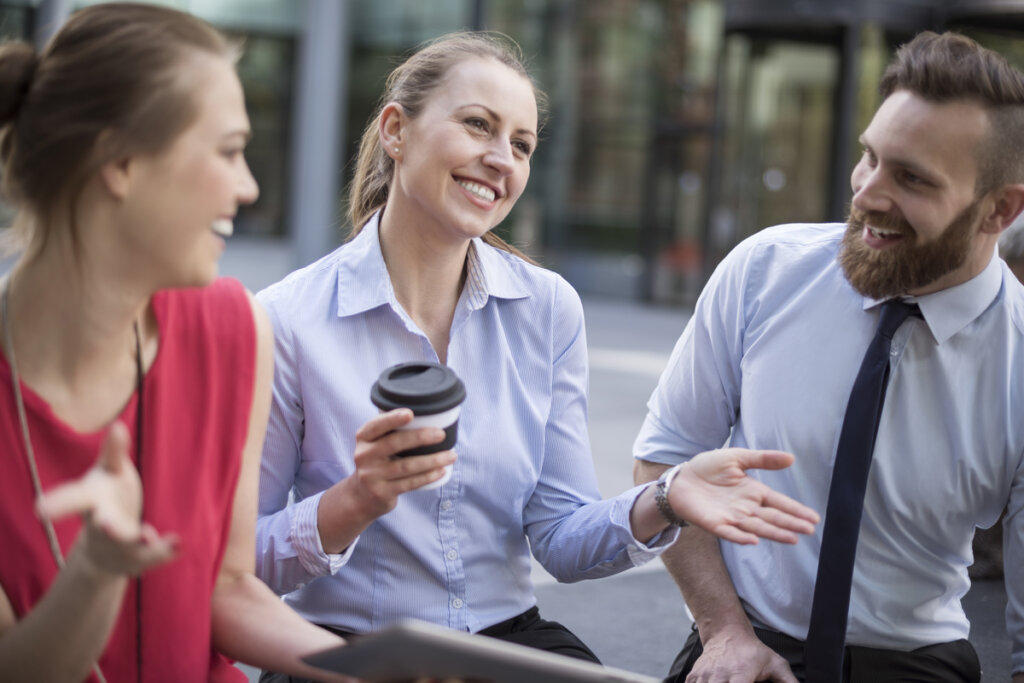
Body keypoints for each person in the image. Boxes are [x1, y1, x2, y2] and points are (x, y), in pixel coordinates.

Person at [254, 31, 818, 682]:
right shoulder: (287, 318)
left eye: (521, 145)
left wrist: (666, 495)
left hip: (506, 643)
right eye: (477, 125)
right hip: (346, 650)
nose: (502, 159)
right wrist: (352, 500)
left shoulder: (547, 309)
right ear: (395, 131)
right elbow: (244, 558)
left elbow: (561, 536)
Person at [633, 30, 1024, 683]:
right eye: (870, 157)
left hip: (913, 661)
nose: (868, 192)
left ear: (1000, 209)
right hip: (741, 641)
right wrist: (724, 632)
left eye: (912, 178)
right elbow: (666, 455)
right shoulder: (764, 271)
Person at [0, 4, 353, 681]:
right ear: (121, 161)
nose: (249, 186)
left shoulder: (234, 328)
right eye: (227, 151)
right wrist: (96, 573)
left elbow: (225, 584)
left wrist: (365, 667)